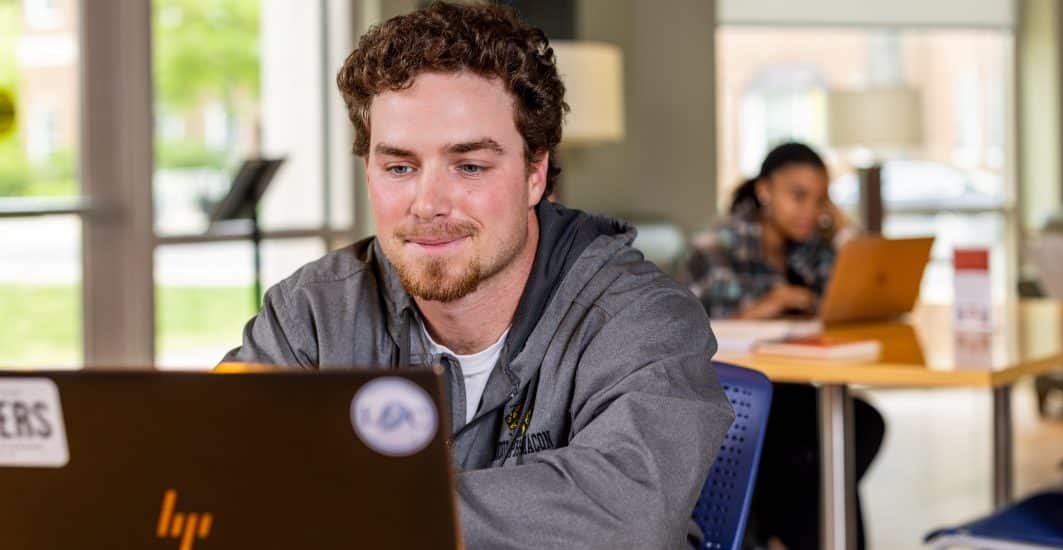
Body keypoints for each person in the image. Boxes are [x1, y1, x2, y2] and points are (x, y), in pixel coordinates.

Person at [221, 3, 733, 548]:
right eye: (399, 167)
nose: (428, 203)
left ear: (535, 174)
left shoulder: (642, 321)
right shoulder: (311, 314)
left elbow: (629, 519)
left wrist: (352, 505)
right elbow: (214, 474)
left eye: (469, 166)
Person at [680, 142, 885, 550]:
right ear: (764, 191)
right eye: (798, 195)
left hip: (789, 389)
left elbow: (861, 280)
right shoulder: (715, 244)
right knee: (830, 455)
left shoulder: (809, 247)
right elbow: (688, 333)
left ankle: (779, 537)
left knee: (856, 427)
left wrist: (843, 227)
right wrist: (768, 306)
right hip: (733, 399)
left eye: (820, 198)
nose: (810, 210)